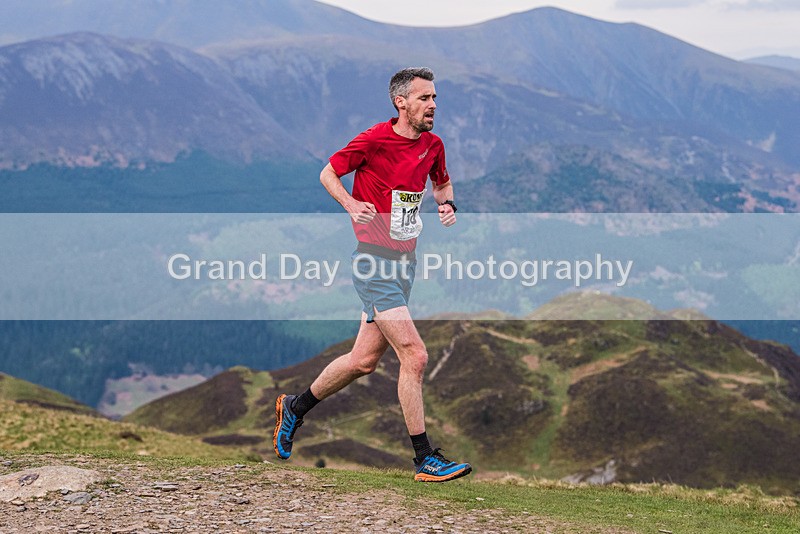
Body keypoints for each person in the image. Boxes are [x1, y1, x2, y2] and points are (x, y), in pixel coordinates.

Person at [273, 67, 471, 483]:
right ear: (401, 102)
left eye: (435, 98)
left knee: (362, 362)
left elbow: (441, 184)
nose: (433, 105)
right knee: (415, 356)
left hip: (404, 266)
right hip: (373, 264)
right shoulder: (374, 139)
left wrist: (448, 205)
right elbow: (328, 172)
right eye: (424, 98)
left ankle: (294, 407)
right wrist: (349, 203)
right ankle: (424, 459)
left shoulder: (433, 146)